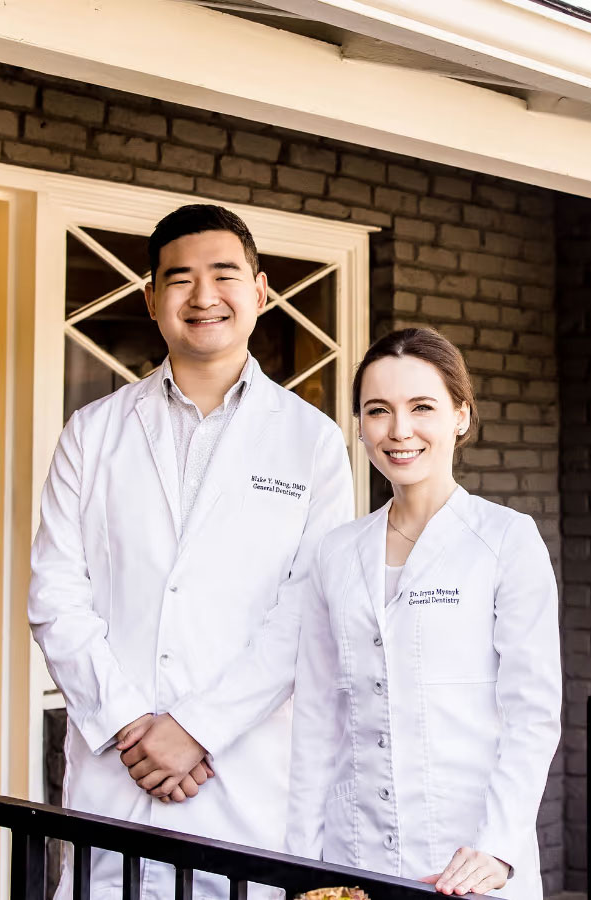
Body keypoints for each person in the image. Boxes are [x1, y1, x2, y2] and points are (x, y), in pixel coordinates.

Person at [28, 204, 353, 899]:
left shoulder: (313, 442)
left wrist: (197, 729)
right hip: (118, 768)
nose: (204, 296)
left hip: (244, 774)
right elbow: (55, 596)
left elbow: (306, 613)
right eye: (180, 279)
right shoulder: (92, 432)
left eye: (224, 275)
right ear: (151, 300)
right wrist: (129, 725)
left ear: (260, 292)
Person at [285, 327, 562, 900]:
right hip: (352, 856)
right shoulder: (335, 553)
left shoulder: (506, 540)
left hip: (468, 861)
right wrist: (302, 865)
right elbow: (315, 720)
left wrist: (499, 846)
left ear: (460, 415)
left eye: (421, 407)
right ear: (359, 424)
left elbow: (532, 715)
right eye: (377, 410)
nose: (399, 430)